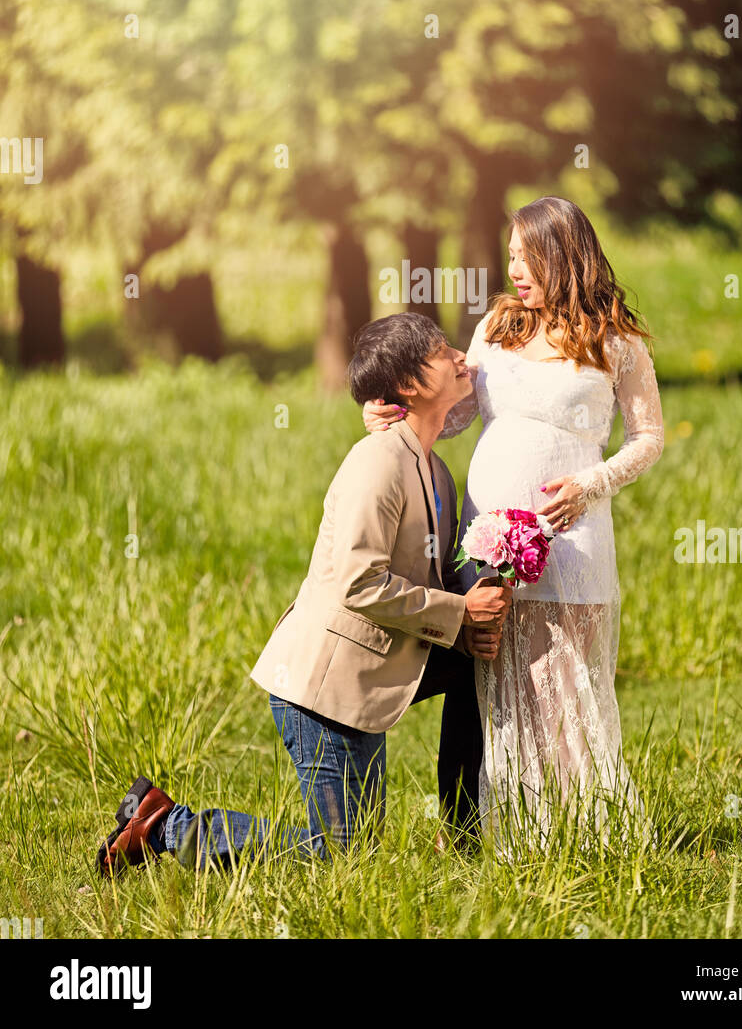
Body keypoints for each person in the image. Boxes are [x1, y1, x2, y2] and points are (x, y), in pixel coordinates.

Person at [96, 313, 513, 877]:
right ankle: (166, 824)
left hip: (369, 674)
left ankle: (463, 835)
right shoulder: (378, 464)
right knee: (342, 856)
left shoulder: (434, 471)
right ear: (411, 385)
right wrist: (460, 613)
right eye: (444, 351)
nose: (463, 357)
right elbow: (359, 583)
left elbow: (428, 574)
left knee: (471, 665)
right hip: (322, 693)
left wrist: (484, 591)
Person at [362, 197, 664, 852]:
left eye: (528, 257)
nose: (515, 270)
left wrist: (592, 484)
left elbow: (648, 437)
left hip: (574, 537)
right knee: (485, 680)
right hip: (486, 532)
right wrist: (396, 414)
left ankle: (578, 827)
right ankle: (483, 825)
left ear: (565, 256)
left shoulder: (617, 341)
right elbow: (461, 411)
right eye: (510, 258)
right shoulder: (498, 326)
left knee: (563, 681)